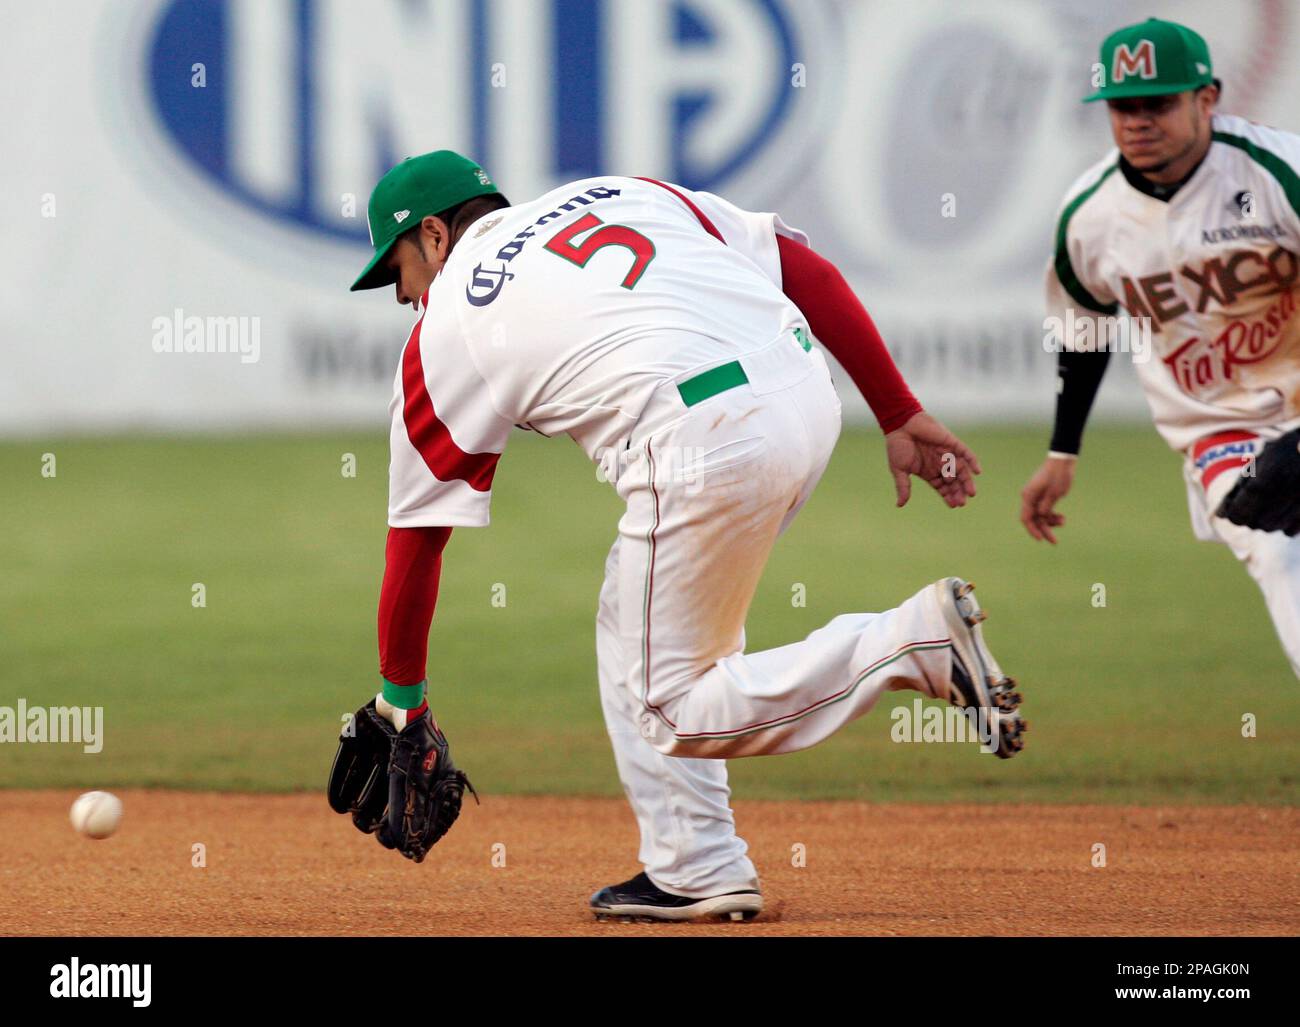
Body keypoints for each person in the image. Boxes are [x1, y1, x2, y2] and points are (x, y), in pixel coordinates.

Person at [331, 150, 1025, 922]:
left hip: (701, 439)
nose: (399, 294)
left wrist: (404, 702)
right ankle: (696, 865)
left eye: (395, 268)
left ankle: (909, 644)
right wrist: (895, 410)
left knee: (669, 707)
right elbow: (804, 270)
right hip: (802, 392)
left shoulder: (445, 326)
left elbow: (416, 541)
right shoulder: (618, 192)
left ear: (433, 234)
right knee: (629, 623)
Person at [1022, 18, 1300, 679]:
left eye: (1159, 103)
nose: (1139, 121)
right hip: (1222, 429)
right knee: (1280, 551)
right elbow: (1086, 326)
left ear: (1208, 99)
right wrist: (1063, 451)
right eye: (1124, 106)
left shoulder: (1276, 172)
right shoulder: (1091, 214)